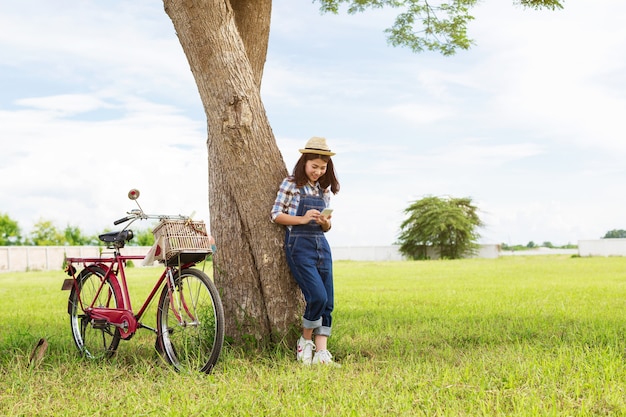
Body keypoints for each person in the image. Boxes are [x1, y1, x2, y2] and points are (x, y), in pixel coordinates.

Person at [271, 136, 340, 366]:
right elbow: (276, 215)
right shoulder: (291, 184)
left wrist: (324, 222)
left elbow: (328, 227)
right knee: (317, 296)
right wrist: (301, 219)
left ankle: (322, 353)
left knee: (328, 301)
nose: (318, 172)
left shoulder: (324, 190)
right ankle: (305, 341)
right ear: (304, 163)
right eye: (314, 167)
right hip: (298, 246)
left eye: (323, 167)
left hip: (321, 245)